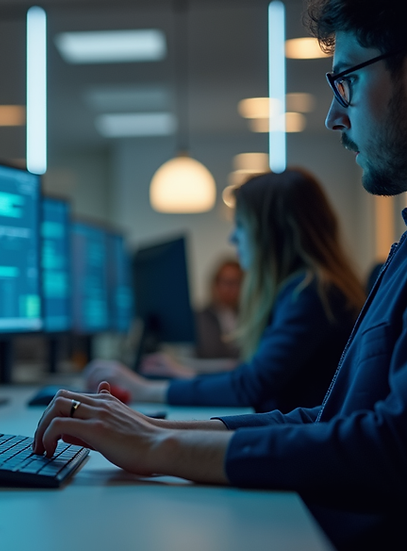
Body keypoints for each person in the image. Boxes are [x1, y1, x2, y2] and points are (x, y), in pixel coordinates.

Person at [32, 1, 407, 547]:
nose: (333, 115)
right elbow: (329, 418)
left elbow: (389, 446)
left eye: (346, 79)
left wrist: (163, 445)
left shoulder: (314, 292)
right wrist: (155, 429)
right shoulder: (399, 255)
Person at [86, 170, 364, 414]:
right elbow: (256, 371)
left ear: (272, 233)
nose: (233, 238)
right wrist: (187, 375)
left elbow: (251, 386)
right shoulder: (313, 287)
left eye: (241, 226)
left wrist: (145, 390)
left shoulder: (310, 293)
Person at [194, 259, 243, 360]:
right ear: (215, 283)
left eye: (235, 282)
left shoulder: (251, 316)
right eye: (225, 282)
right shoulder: (199, 318)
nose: (229, 289)